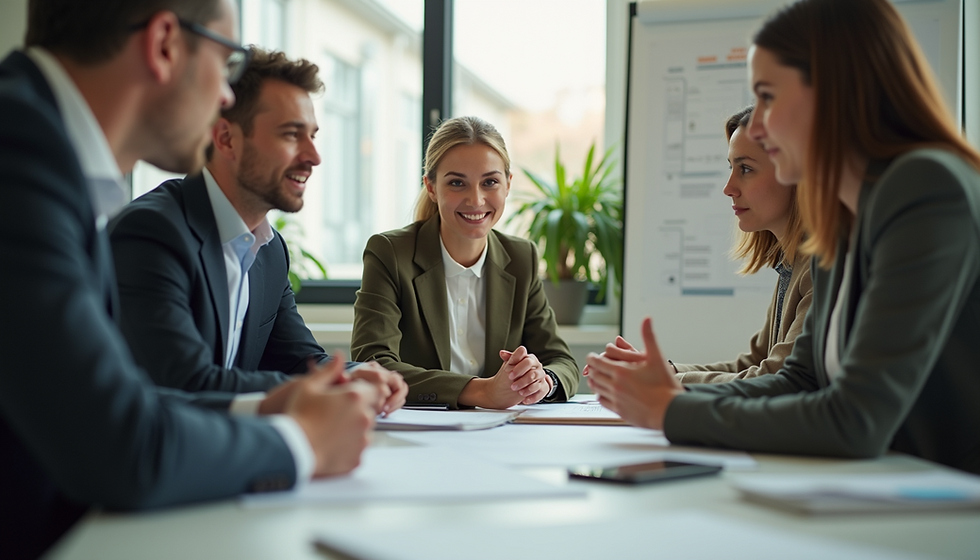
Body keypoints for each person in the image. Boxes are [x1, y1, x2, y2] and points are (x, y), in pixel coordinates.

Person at [0, 1, 378, 557]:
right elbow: (120, 446)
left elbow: (126, 403)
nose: (227, 96)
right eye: (227, 64)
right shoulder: (20, 158)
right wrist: (301, 442)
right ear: (164, 45)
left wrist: (279, 406)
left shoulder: (49, 158)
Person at [586, 0, 980, 474]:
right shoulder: (844, 216)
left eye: (768, 97)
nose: (758, 125)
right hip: (875, 486)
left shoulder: (923, 186)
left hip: (943, 504)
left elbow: (857, 418)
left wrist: (671, 409)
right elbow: (800, 376)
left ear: (832, 93)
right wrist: (668, 394)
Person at [107, 47, 406, 413]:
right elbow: (184, 381)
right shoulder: (153, 233)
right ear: (226, 138)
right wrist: (328, 388)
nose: (314, 156)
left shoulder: (269, 248)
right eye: (291, 135)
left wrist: (356, 375)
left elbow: (299, 360)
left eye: (312, 135)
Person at [351, 116, 579, 409]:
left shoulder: (522, 258)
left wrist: (541, 380)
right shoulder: (390, 253)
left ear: (507, 185)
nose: (476, 199)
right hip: (419, 433)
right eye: (457, 183)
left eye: (490, 182)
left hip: (500, 434)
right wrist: (481, 392)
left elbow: (562, 362)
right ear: (431, 187)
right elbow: (372, 366)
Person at [599, 106, 813, 384]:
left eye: (746, 169)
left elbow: (776, 378)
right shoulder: (791, 264)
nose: (728, 187)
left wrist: (665, 382)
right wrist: (668, 371)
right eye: (731, 167)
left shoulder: (819, 268)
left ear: (793, 173)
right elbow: (755, 362)